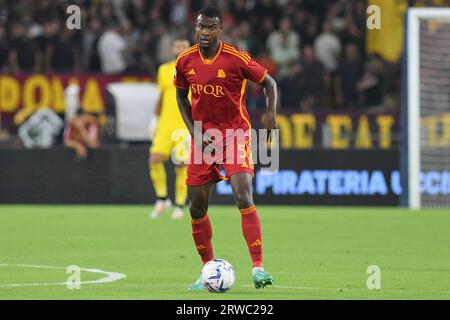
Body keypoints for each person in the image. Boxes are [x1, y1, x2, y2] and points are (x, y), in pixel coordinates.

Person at [174, 6, 277, 290]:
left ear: (220, 29)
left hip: (235, 136)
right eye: (200, 27)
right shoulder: (185, 61)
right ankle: (207, 268)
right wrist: (195, 132)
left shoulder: (235, 58)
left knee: (243, 195)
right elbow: (180, 97)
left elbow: (269, 83)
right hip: (203, 140)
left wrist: (270, 113)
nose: (204, 32)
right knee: (196, 207)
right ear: (196, 27)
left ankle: (258, 268)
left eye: (210, 28)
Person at [149, 38, 191, 220]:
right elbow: (161, 97)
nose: (180, 48)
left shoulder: (196, 70)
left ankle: (180, 206)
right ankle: (162, 198)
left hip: (184, 124)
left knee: (182, 164)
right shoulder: (164, 70)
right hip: (165, 123)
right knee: (155, 159)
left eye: (184, 46)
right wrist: (154, 119)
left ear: (190, 49)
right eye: (177, 45)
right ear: (172, 49)